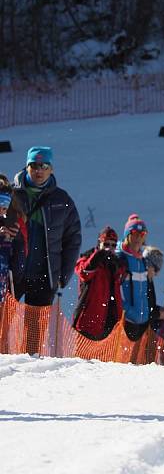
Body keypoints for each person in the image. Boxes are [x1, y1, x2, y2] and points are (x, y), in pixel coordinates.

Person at [13, 146, 81, 306]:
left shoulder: (61, 200)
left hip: (44, 276)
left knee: (35, 330)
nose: (39, 170)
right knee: (3, 323)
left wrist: (62, 276)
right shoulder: (10, 194)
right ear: (27, 167)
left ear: (51, 169)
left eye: (44, 166)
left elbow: (73, 239)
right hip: (12, 272)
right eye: (34, 165)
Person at [73, 226, 125, 340]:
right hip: (88, 323)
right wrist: (96, 257)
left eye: (113, 245)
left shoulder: (115, 264)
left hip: (110, 322)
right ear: (99, 244)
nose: (109, 248)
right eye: (106, 244)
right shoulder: (88, 258)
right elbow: (83, 273)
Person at [118, 213, 152, 341]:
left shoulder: (141, 260)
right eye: (134, 233)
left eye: (142, 234)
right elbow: (116, 292)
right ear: (127, 235)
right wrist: (129, 312)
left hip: (142, 324)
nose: (138, 237)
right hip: (126, 323)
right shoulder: (121, 258)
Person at [0, 175, 27, 300]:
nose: (1, 211)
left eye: (4, 207)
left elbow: (18, 267)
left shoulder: (13, 222)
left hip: (4, 290)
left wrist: (15, 240)